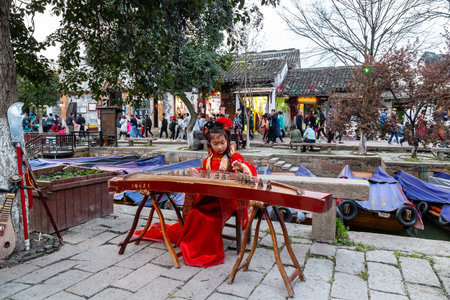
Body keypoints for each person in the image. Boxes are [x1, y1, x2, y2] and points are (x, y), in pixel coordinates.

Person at [180, 122, 257, 267]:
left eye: (222, 142)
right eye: (215, 144)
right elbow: (203, 170)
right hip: (209, 197)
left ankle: (207, 252)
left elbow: (250, 171)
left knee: (209, 219)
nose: (220, 147)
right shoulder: (209, 159)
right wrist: (195, 170)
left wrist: (240, 167)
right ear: (210, 144)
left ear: (228, 141)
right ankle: (194, 247)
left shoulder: (234, 156)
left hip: (226, 200)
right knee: (195, 213)